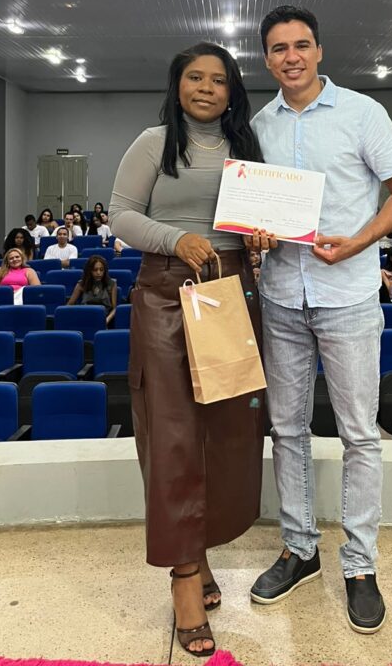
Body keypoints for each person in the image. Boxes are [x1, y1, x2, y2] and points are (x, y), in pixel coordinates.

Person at [248, 6, 392, 636]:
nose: (291, 57)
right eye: (278, 48)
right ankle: (300, 549)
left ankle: (360, 565)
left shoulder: (362, 112)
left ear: (319, 51)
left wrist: (360, 241)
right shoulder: (259, 126)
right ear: (267, 59)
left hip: (347, 294)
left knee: (360, 434)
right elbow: (255, 211)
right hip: (282, 296)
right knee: (286, 429)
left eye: (301, 45)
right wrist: (258, 236)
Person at [107, 41, 264, 658]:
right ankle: (183, 581)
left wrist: (261, 239)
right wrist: (176, 240)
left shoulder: (246, 148)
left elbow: (256, 223)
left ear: (231, 91)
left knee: (226, 433)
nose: (205, 88)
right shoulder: (153, 144)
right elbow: (121, 216)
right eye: (194, 77)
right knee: (172, 435)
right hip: (168, 294)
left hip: (231, 291)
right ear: (177, 86)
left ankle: (199, 553)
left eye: (218, 80)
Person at [67, 254, 117, 325]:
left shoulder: (111, 284)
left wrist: (107, 319)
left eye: (101, 270)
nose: (99, 273)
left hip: (104, 319)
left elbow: (114, 309)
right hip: (84, 318)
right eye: (95, 270)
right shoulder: (82, 284)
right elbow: (69, 305)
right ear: (89, 271)